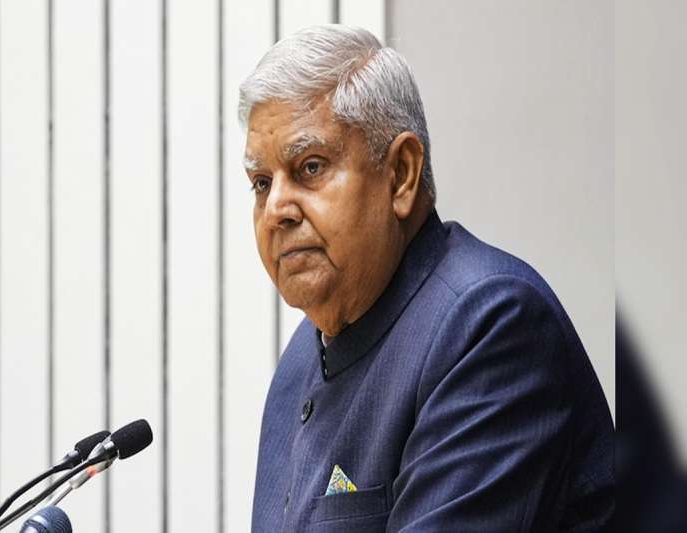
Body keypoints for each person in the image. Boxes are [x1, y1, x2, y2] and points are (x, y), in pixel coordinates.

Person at [239, 25, 614, 532]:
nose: (276, 210)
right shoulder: (300, 361)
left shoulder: (489, 326)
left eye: (310, 168)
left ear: (401, 174)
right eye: (262, 183)